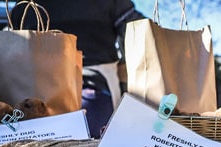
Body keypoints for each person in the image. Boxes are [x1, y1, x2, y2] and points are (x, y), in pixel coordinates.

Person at [10, 0, 145, 137]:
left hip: (34, 94)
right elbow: (140, 32)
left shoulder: (25, 5)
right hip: (94, 88)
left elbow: (13, 37)